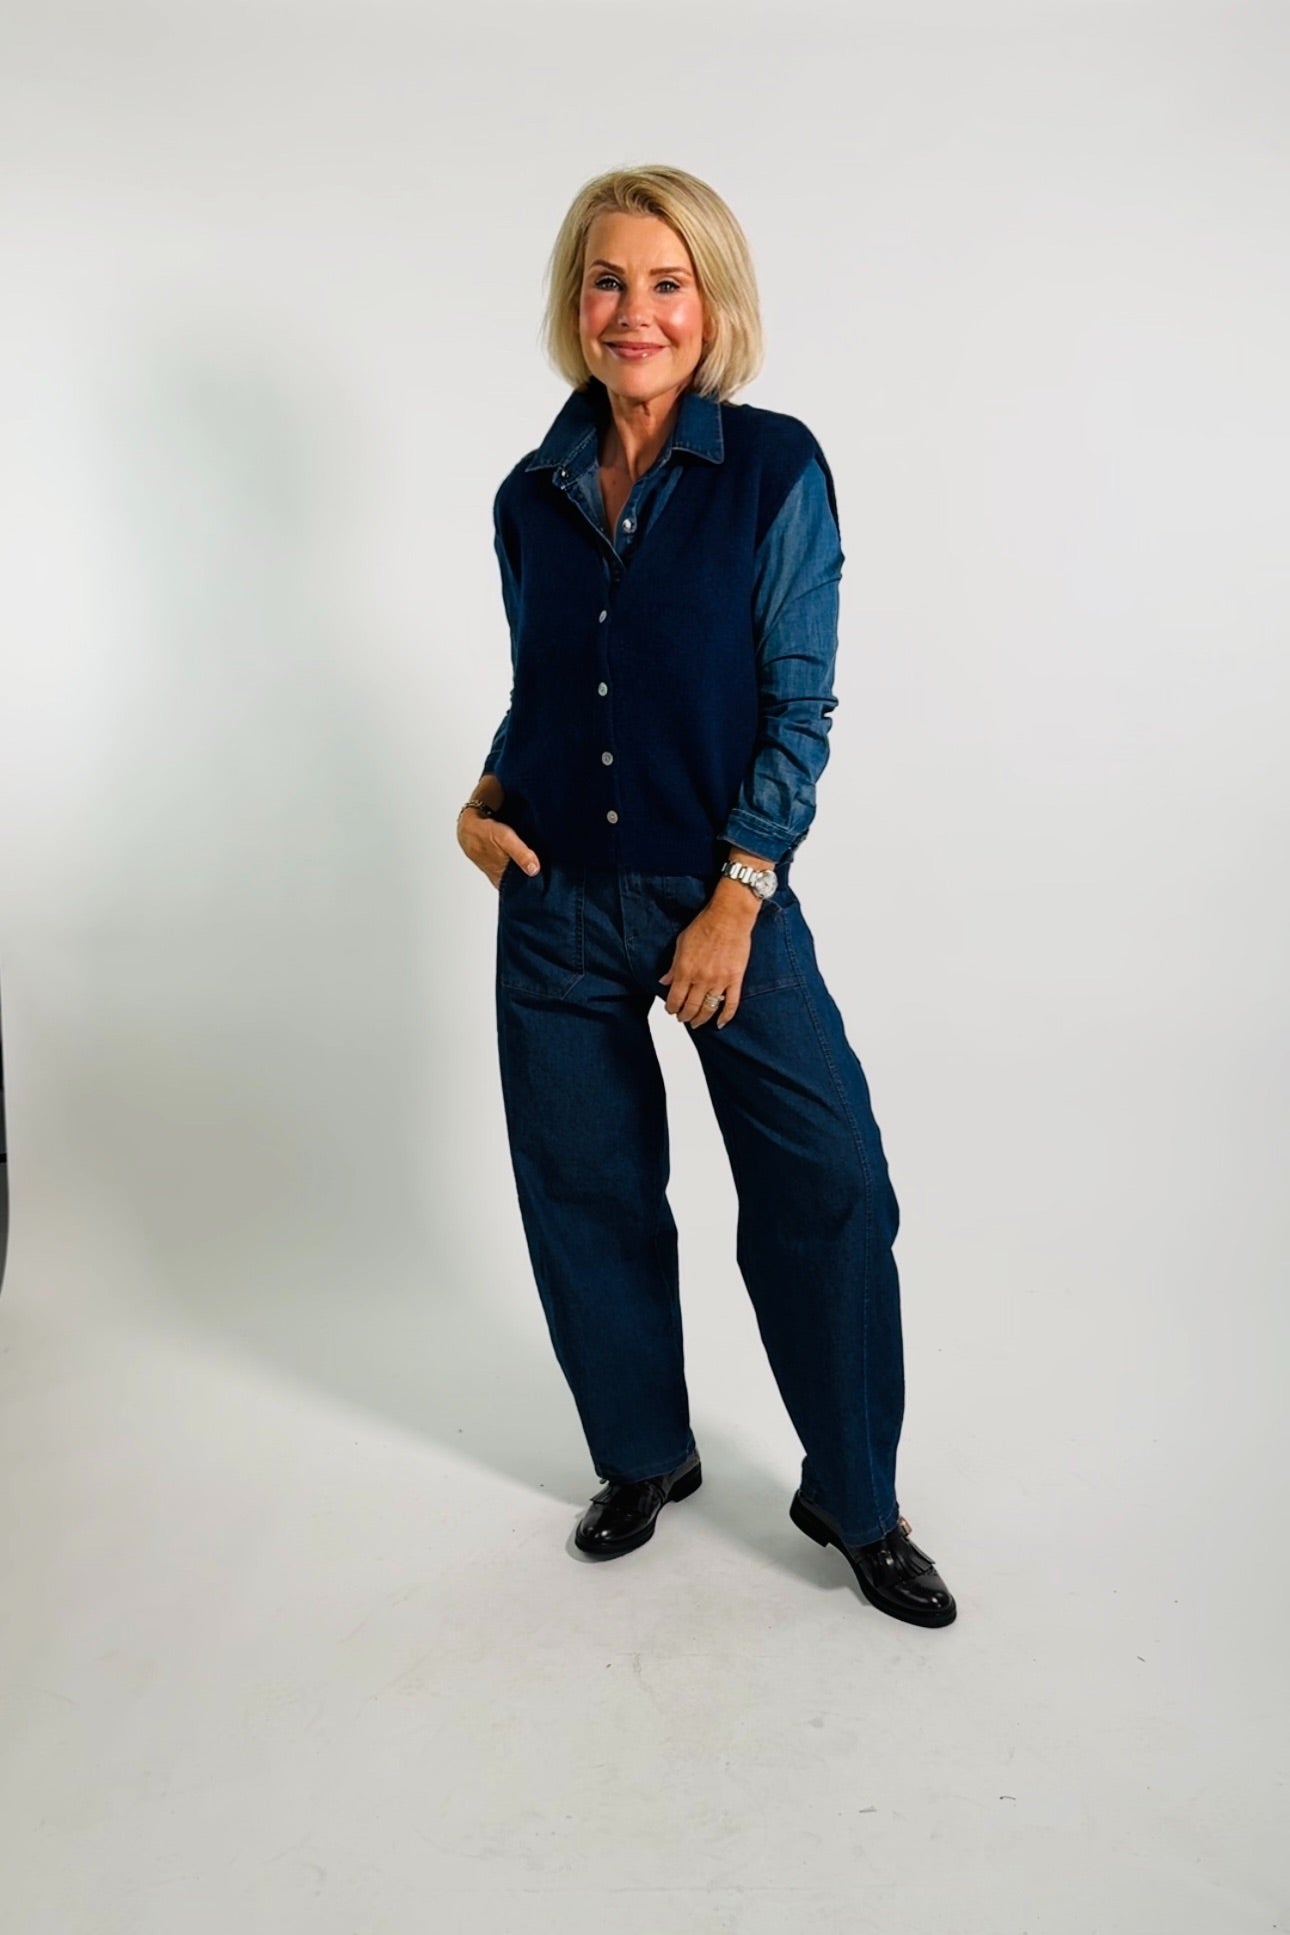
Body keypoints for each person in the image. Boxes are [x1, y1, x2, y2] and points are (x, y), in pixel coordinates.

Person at [457, 165, 956, 1628]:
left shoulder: (774, 468)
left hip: (716, 890)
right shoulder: (530, 493)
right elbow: (546, 687)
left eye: (666, 283)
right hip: (553, 901)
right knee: (585, 1191)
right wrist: (483, 797)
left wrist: (738, 896)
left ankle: (854, 1497)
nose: (636, 311)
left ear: (712, 301)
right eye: (607, 280)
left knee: (828, 1184)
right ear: (575, 302)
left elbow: (798, 706)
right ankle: (642, 1456)